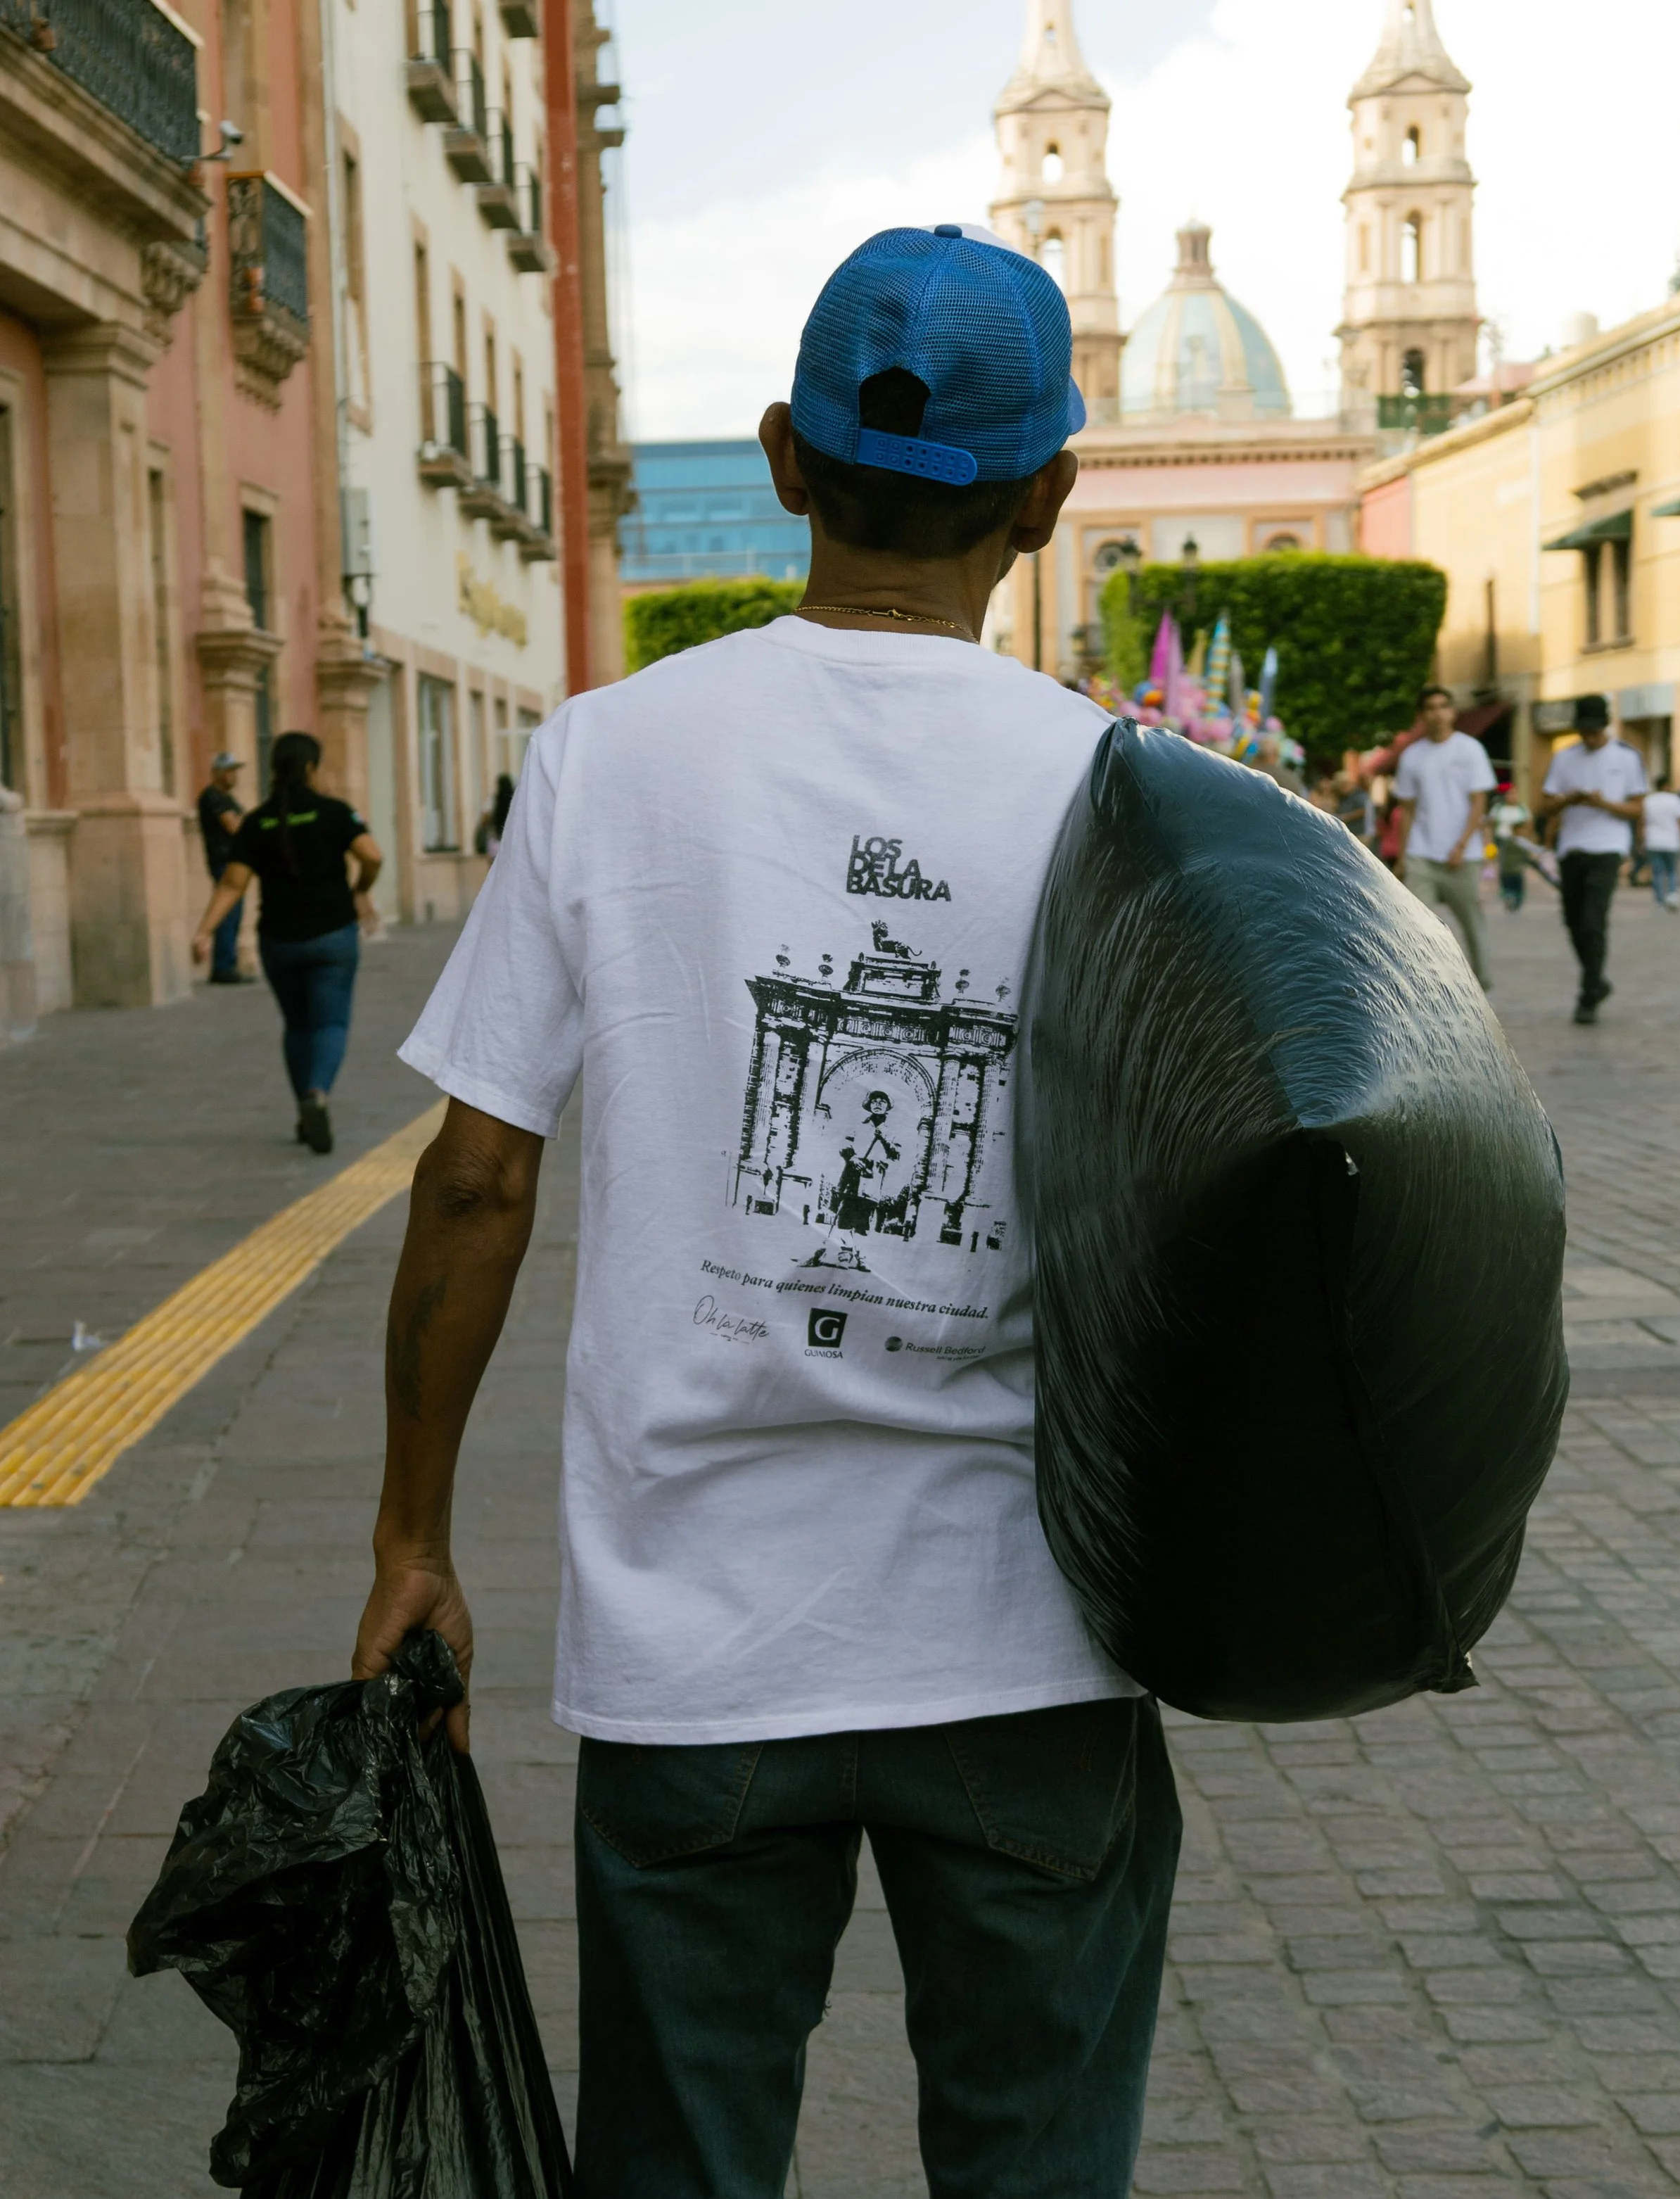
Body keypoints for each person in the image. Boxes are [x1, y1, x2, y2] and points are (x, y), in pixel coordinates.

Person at [350, 224, 1180, 2199]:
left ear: (782, 461)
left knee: (680, 2166)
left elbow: (476, 1174)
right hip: (1030, 1639)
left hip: (693, 1652)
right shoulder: (1124, 786)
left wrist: (410, 1537)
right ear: (1051, 495)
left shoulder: (606, 752)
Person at [191, 731, 382, 1153]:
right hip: (333, 935)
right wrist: (361, 889)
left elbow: (232, 884)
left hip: (279, 940)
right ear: (312, 768)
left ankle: (303, 1111)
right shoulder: (334, 812)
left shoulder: (258, 821)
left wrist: (204, 931)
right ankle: (317, 1093)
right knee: (330, 1023)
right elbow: (372, 855)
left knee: (297, 1026)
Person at [1536, 695, 1648, 1025]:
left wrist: (1604, 804)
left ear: (1606, 726)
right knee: (1572, 920)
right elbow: (1545, 806)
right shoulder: (1564, 758)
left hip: (1608, 847)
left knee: (1592, 918)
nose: (1590, 738)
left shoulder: (1627, 757)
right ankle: (1597, 980)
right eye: (1584, 732)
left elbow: (1638, 807)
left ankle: (1588, 995)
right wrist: (1569, 800)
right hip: (1572, 847)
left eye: (1595, 732)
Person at [1392, 685, 1497, 988]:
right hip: (1421, 854)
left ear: (1452, 712)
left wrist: (1462, 845)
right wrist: (1402, 857)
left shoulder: (1470, 749)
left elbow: (1479, 802)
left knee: (1472, 922)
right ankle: (1419, 986)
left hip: (1462, 855)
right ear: (1422, 715)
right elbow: (1407, 810)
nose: (1437, 713)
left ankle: (1482, 983)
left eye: (1443, 706)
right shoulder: (1412, 756)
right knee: (1413, 924)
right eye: (1430, 708)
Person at [196, 752, 251, 984]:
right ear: (217, 772)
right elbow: (234, 826)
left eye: (236, 771)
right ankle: (223, 968)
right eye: (230, 771)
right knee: (227, 914)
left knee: (234, 914)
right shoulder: (213, 797)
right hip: (223, 862)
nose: (234, 776)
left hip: (233, 862)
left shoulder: (227, 798)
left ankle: (228, 964)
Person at [1640, 774, 1680, 911]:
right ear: (1667, 785)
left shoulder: (1649, 801)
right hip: (1671, 841)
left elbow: (1642, 821)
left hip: (1653, 840)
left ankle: (1659, 900)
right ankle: (1672, 895)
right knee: (1672, 871)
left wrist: (1641, 840)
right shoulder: (1675, 800)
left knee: (1657, 872)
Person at [1488, 784, 1532, 911]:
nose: (1511, 796)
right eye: (1509, 794)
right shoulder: (1498, 809)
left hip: (1518, 843)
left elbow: (1529, 827)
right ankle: (1507, 893)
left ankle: (1518, 894)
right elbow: (1491, 825)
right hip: (1503, 841)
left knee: (1517, 870)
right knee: (1504, 869)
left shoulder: (1522, 809)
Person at [473, 771, 516, 860]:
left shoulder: (493, 800)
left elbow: (484, 819)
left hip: (496, 841)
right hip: (513, 841)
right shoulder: (515, 801)